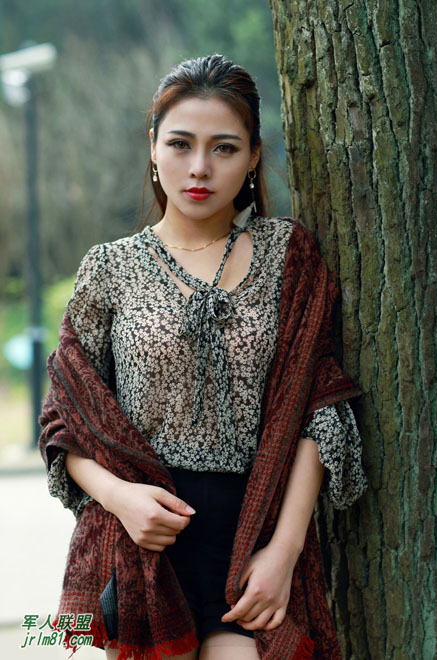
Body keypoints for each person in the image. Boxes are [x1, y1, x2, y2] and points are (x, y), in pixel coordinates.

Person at [39, 54, 368, 660]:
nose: (199, 168)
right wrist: (120, 499)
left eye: (224, 148)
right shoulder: (110, 268)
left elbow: (319, 407)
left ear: (253, 156)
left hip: (251, 538)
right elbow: (66, 418)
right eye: (180, 144)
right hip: (143, 547)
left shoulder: (288, 255)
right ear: (153, 147)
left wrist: (286, 550)